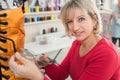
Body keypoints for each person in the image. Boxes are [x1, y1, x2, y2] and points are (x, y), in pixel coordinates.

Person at [9, 0, 120, 80]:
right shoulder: (77, 44)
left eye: (81, 19)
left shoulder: (107, 54)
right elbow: (60, 75)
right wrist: (45, 63)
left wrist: (37, 77)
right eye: (69, 21)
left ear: (94, 20)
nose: (75, 27)